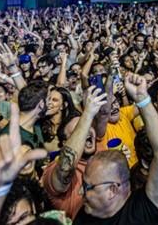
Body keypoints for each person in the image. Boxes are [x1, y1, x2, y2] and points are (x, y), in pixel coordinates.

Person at [75, 74, 158, 224]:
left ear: (113, 190)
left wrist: (142, 99)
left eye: (87, 187)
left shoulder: (142, 211)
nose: (80, 192)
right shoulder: (83, 218)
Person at [41, 86, 108, 219]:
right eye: (79, 131)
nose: (87, 132)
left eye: (88, 127)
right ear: (66, 143)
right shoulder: (52, 170)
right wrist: (87, 114)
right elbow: (65, 168)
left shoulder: (102, 151)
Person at [0, 80, 48, 149]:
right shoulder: (10, 138)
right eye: (49, 99)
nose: (50, 103)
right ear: (41, 104)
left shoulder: (35, 125)